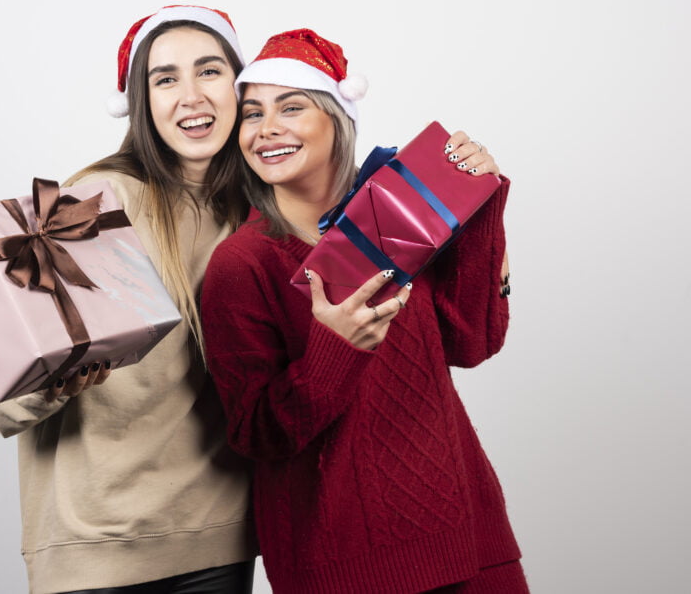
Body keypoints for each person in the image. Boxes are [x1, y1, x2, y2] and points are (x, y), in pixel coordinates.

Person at [201, 29, 526, 593]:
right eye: (251, 114)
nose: (266, 128)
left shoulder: (400, 212)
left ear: (337, 118)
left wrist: (482, 204)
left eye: (291, 106)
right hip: (340, 566)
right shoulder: (242, 263)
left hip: (468, 537)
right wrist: (337, 346)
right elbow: (255, 435)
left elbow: (471, 345)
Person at [0, 5, 255, 594]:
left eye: (209, 71)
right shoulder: (93, 205)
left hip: (217, 536)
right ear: (141, 102)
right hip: (92, 544)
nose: (190, 95)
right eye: (165, 78)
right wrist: (54, 375)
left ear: (238, 84)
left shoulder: (258, 212)